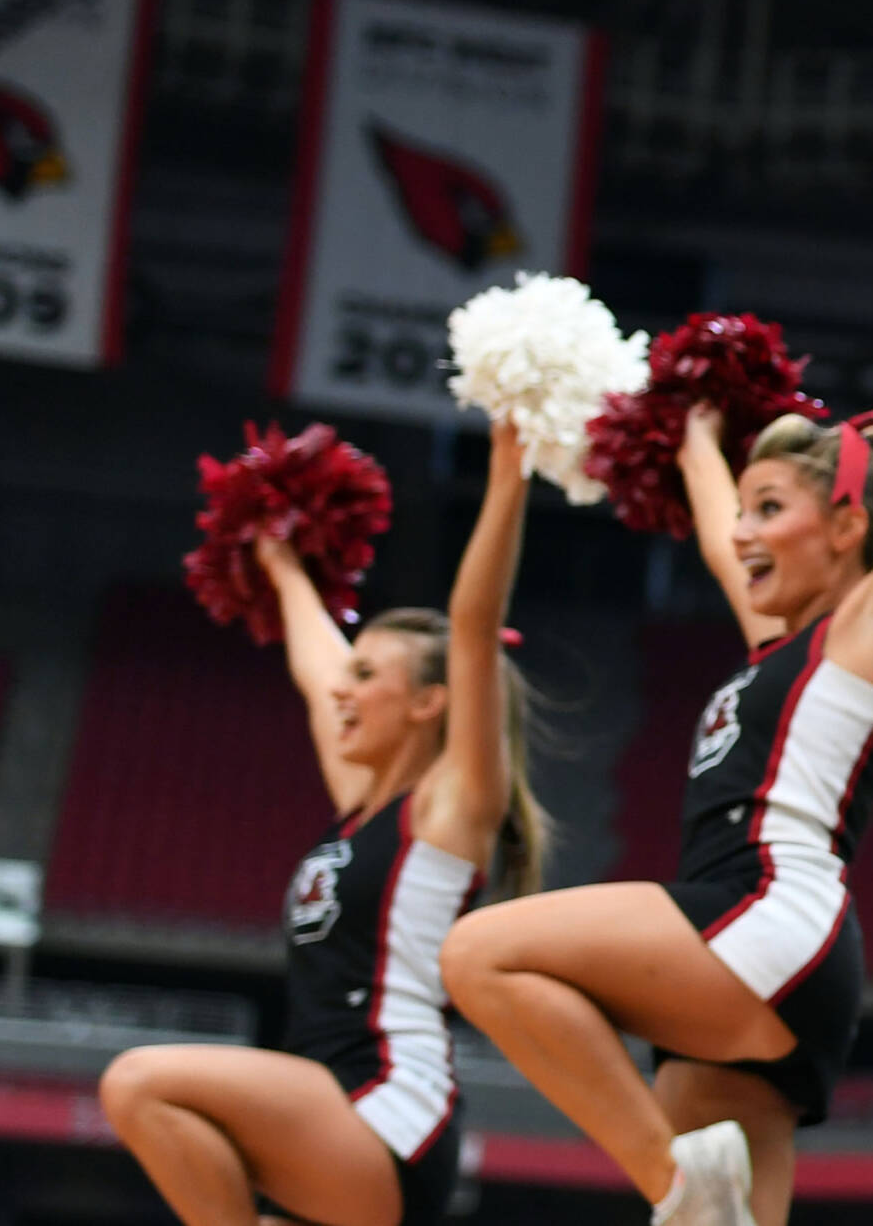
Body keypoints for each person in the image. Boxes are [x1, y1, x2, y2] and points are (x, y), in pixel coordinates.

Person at [441, 267, 873, 1226]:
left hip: (766, 917)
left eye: (771, 510)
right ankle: (693, 1192)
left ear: (848, 524)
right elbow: (718, 534)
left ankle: (674, 1181)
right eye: (743, 510)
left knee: (479, 956)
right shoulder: (774, 644)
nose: (743, 533)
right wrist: (695, 431)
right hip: (751, 958)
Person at [100, 424, 547, 1226]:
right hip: (327, 1114)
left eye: (366, 675)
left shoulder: (449, 809)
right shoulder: (360, 804)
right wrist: (277, 560)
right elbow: (317, 672)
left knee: (140, 1083)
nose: (344, 689)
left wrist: (508, 480)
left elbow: (474, 628)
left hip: (386, 1111)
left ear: (431, 701)